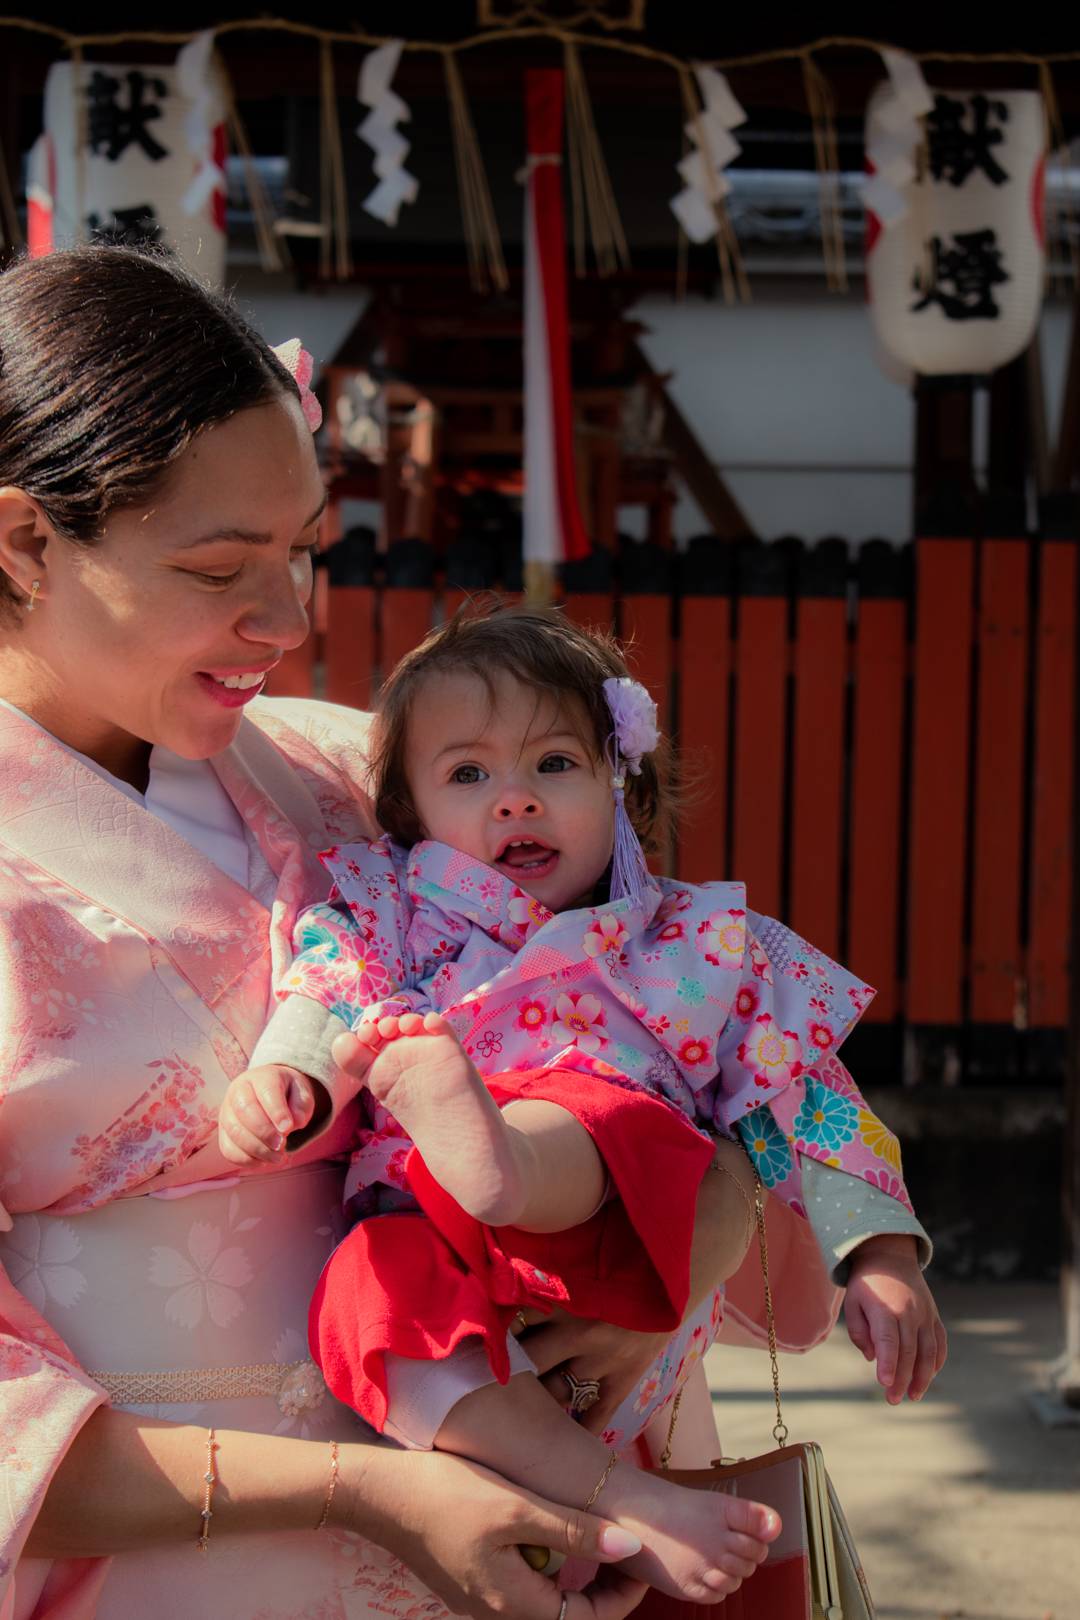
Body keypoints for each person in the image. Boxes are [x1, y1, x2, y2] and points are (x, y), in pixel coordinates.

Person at [0, 243, 766, 1620]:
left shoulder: (350, 775)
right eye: (221, 566)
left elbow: (661, 1023)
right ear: (20, 541)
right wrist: (376, 1494)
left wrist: (706, 1218)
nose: (289, 621)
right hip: (179, 1567)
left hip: (506, 1509)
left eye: (302, 554)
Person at [216, 606, 948, 1598]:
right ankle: (627, 1504)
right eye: (468, 775)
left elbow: (806, 1093)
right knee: (367, 1311)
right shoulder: (388, 912)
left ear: (622, 780)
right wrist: (288, 1078)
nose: (514, 800)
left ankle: (505, 1151)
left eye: (553, 764)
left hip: (617, 1212)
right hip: (444, 1236)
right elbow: (327, 983)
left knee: (597, 1114)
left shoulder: (697, 946)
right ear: (410, 812)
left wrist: (880, 1253)